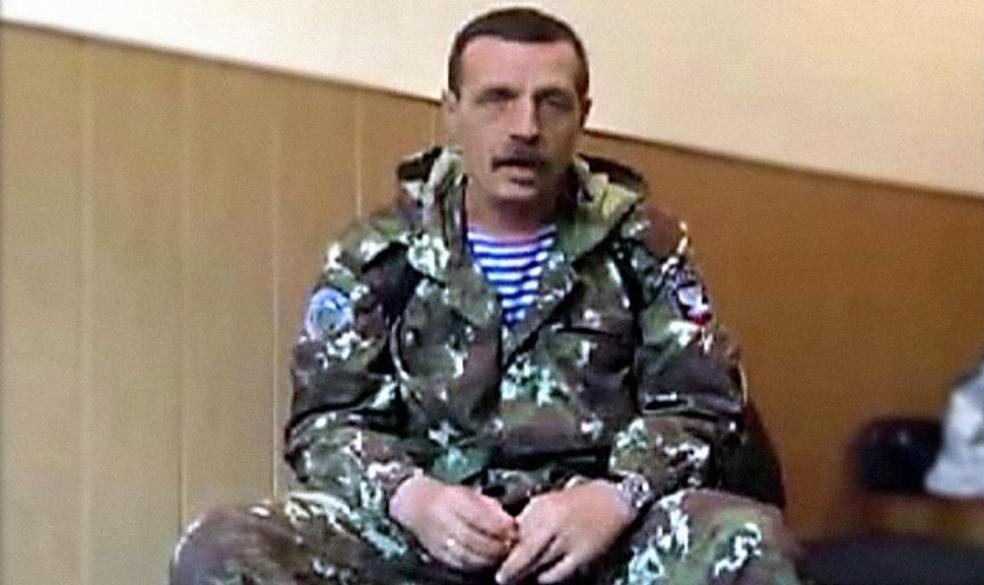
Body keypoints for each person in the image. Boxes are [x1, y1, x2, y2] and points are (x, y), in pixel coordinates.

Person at [170, 7, 802, 585]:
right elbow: (325, 423)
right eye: (497, 99)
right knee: (225, 546)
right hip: (421, 537)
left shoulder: (646, 248)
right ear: (452, 110)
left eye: (551, 103)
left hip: (594, 538)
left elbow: (702, 407)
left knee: (747, 541)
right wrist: (411, 497)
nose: (525, 128)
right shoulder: (378, 253)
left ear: (582, 114)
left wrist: (614, 498)